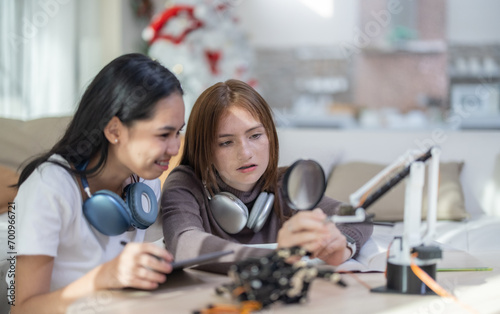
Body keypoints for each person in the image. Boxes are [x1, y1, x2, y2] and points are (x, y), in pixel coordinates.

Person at [11, 53, 185, 314]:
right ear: (114, 130)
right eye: (163, 134)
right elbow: (22, 309)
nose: (174, 148)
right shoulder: (48, 188)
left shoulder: (146, 185)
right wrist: (103, 278)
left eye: (178, 132)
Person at [161, 79, 373, 273]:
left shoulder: (287, 183)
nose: (245, 153)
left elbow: (357, 216)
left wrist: (342, 244)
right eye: (226, 142)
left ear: (270, 136)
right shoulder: (185, 183)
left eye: (255, 136)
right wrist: (279, 258)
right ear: (204, 149)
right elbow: (184, 244)